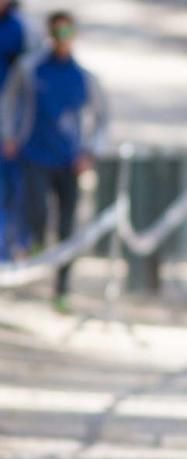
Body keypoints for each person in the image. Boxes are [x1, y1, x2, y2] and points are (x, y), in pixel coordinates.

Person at [1, 10, 108, 312]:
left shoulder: (84, 78)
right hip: (35, 156)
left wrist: (90, 152)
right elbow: (10, 102)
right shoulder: (31, 69)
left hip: (69, 161)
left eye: (67, 34)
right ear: (50, 35)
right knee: (37, 213)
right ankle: (34, 252)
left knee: (67, 227)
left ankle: (62, 288)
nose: (62, 40)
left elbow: (101, 120)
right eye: (57, 34)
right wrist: (9, 135)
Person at [0, 0, 30, 262]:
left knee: (11, 187)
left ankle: (11, 248)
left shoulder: (19, 29)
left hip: (8, 125)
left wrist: (14, 130)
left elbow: (24, 85)